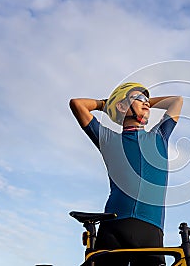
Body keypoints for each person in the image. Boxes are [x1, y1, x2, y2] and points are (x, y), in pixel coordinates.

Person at [69, 82, 183, 266]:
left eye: (147, 100)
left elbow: (176, 101)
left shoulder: (159, 135)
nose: (146, 104)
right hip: (115, 225)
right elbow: (77, 104)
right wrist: (110, 106)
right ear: (121, 106)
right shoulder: (107, 138)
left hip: (151, 228)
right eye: (139, 99)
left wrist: (142, 103)